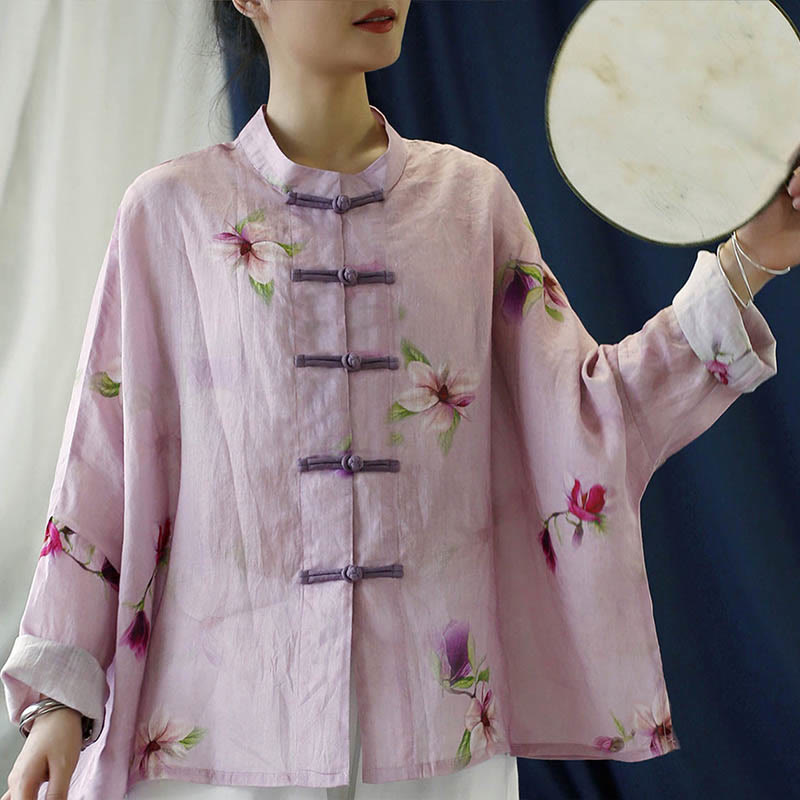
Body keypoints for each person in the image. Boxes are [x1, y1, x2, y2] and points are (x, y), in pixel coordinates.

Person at [3, 1, 798, 799]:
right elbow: (101, 464)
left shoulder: (470, 204)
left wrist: (752, 260)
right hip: (224, 741)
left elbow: (588, 420)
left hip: (436, 744)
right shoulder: (169, 215)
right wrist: (57, 704)